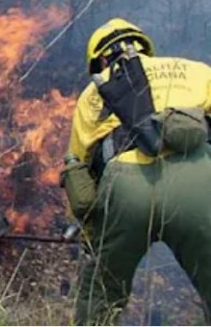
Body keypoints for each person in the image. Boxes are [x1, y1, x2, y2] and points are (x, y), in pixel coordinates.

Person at [63, 18, 211, 324]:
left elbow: (78, 172)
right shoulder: (195, 70)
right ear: (146, 48)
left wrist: (95, 239)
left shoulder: (93, 94)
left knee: (100, 297)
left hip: (128, 188)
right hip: (197, 179)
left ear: (101, 60)